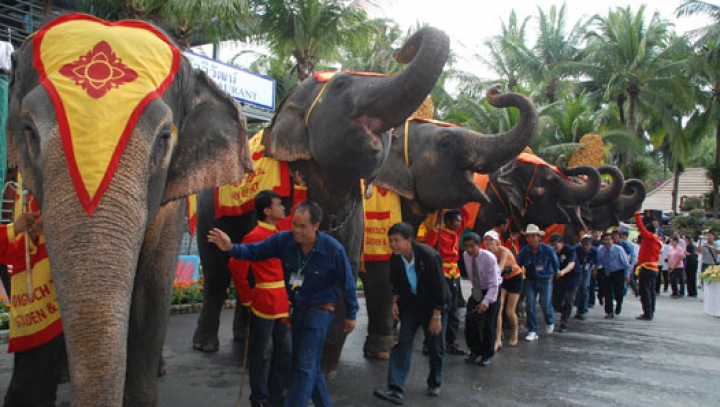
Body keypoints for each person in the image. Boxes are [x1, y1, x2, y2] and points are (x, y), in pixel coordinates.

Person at [208, 200, 358, 407]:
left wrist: (351, 314)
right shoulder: (283, 241)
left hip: (320, 311)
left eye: (302, 226)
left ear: (316, 225)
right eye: (294, 224)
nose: (296, 230)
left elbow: (348, 283)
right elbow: (254, 251)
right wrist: (230, 247)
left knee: (304, 366)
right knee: (309, 364)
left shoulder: (333, 249)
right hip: (295, 310)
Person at [228, 191, 294, 407]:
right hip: (263, 301)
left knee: (283, 352)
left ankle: (276, 394)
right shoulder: (254, 236)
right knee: (259, 353)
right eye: (278, 204)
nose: (282, 207)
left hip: (282, 302)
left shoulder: (280, 232)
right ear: (267, 211)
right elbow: (237, 270)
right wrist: (247, 300)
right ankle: (259, 397)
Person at [373, 222, 450, 405]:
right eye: (390, 241)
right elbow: (397, 283)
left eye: (397, 240)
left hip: (434, 304)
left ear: (409, 240)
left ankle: (435, 381)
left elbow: (440, 288)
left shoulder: (428, 256)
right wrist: (395, 302)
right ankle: (395, 388)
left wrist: (436, 316)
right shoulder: (396, 258)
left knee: (434, 344)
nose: (393, 244)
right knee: (403, 341)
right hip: (412, 303)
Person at [2, 211, 69, 407]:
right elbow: (13, 252)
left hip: (44, 313)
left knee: (35, 388)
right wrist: (15, 230)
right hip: (34, 313)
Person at [424, 208, 468, 355]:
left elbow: (467, 215)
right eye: (456, 221)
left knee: (453, 311)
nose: (458, 224)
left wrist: (457, 202)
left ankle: (451, 342)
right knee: (437, 309)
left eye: (459, 222)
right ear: (447, 221)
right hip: (441, 274)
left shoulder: (456, 233)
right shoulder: (436, 233)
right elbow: (428, 252)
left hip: (454, 275)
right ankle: (429, 342)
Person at [463, 232, 501, 366]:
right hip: (477, 290)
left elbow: (494, 283)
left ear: (479, 246)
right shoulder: (466, 256)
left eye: (472, 246)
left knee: (488, 325)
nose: (469, 250)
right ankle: (474, 350)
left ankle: (487, 353)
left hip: (491, 290)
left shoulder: (489, 258)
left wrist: (486, 302)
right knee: (470, 320)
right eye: (466, 247)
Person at [516, 224, 558, 341]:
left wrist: (556, 274)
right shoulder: (525, 251)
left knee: (545, 304)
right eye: (529, 237)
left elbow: (555, 264)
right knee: (530, 305)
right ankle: (532, 330)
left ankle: (550, 320)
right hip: (531, 280)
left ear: (538, 237)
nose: (531, 239)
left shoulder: (547, 250)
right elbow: (518, 264)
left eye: (533, 236)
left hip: (545, 280)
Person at [486, 230, 523, 349]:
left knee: (509, 311)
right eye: (486, 240)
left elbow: (499, 269)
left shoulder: (504, 251)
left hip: (514, 278)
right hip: (502, 279)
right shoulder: (487, 253)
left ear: (497, 241)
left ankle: (514, 332)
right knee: (498, 309)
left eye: (491, 240)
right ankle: (498, 339)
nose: (488, 243)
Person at [634, 212, 661, 321]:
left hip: (646, 268)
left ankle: (647, 313)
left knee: (644, 291)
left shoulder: (649, 238)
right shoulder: (656, 240)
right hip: (653, 268)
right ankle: (651, 310)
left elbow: (640, 227)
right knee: (651, 291)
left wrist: (637, 215)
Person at [597, 232, 631, 319]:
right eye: (605, 240)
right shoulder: (601, 250)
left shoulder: (619, 249)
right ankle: (609, 311)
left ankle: (619, 303)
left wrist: (627, 276)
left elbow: (626, 264)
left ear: (612, 240)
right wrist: (596, 269)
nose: (607, 242)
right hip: (607, 272)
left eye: (609, 240)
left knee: (618, 291)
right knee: (607, 292)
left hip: (618, 272)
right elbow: (599, 262)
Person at [549, 233, 578, 332]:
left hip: (572, 276)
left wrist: (563, 272)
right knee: (555, 301)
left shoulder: (570, 250)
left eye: (556, 244)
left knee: (569, 299)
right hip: (558, 277)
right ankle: (564, 311)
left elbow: (571, 264)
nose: (554, 247)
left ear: (561, 243)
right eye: (552, 245)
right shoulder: (551, 251)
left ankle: (564, 322)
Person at [574, 234, 598, 320]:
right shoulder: (576, 249)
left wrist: (595, 270)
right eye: (583, 244)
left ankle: (583, 309)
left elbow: (597, 262)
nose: (585, 246)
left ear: (590, 245)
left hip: (588, 268)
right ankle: (578, 307)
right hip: (578, 269)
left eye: (587, 245)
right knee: (578, 287)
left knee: (584, 287)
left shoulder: (594, 251)